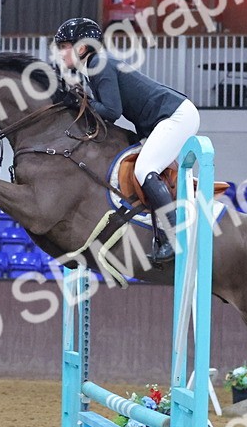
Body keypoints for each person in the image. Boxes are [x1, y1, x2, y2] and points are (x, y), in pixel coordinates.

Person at [54, 17, 200, 264]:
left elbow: (112, 111)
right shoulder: (94, 66)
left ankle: (174, 235)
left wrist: (81, 102)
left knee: (145, 169)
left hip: (175, 116)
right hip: (160, 120)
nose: (61, 53)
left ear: (81, 47)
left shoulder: (99, 63)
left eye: (64, 46)